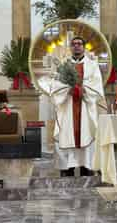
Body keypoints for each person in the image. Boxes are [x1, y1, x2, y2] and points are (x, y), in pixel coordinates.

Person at [49, 36, 106, 177]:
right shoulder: (63, 65)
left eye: (79, 44)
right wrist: (66, 90)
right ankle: (67, 169)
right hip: (68, 106)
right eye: (73, 44)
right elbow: (55, 85)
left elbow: (97, 87)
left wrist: (84, 90)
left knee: (86, 134)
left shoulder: (93, 66)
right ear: (70, 47)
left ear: (84, 47)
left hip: (85, 108)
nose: (76, 46)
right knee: (66, 133)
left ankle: (87, 168)